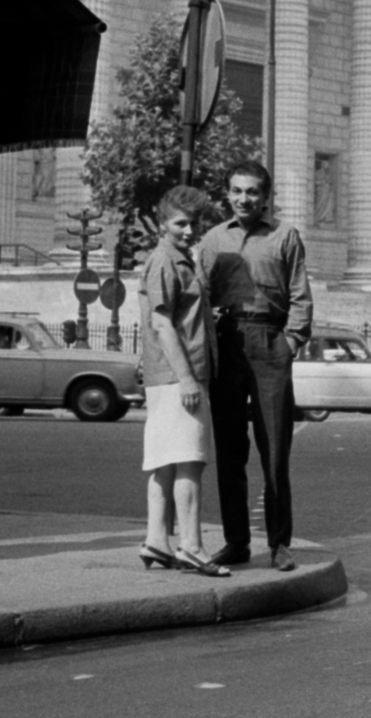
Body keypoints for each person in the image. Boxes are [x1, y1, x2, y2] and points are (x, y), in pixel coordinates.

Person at [199, 161, 312, 572]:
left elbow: (300, 294)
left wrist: (292, 342)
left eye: (252, 192)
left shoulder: (285, 236)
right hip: (227, 345)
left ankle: (280, 544)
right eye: (236, 190)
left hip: (270, 343)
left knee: (275, 451)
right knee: (229, 452)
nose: (243, 198)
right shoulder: (213, 239)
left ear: (265, 197)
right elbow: (200, 292)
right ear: (227, 194)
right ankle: (236, 543)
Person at [136, 186, 227, 577]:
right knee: (191, 460)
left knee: (165, 463)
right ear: (162, 224)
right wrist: (188, 378)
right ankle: (191, 545)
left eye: (195, 223)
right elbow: (162, 323)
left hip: (166, 376)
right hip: (178, 377)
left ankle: (157, 540)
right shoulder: (164, 262)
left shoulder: (175, 260)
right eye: (181, 223)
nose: (190, 230)